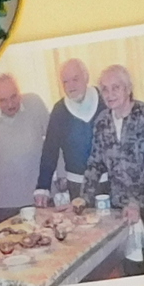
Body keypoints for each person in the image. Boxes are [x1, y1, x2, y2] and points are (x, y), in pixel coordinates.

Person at [85, 61, 144, 277]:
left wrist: (135, 202)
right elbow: (95, 162)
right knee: (127, 265)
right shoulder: (102, 121)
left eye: (116, 87)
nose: (109, 94)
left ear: (128, 89)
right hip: (119, 203)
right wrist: (82, 198)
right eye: (105, 89)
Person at [0, 71, 48, 223]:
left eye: (14, 97)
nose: (10, 104)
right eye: (3, 100)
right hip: (5, 203)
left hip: (39, 195)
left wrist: (61, 174)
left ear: (19, 92)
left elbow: (54, 141)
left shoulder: (35, 104)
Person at [36, 54, 99, 202]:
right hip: (77, 186)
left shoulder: (104, 99)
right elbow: (50, 150)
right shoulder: (59, 110)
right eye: (65, 82)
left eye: (75, 79)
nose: (71, 86)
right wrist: (42, 187)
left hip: (109, 182)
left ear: (86, 77)